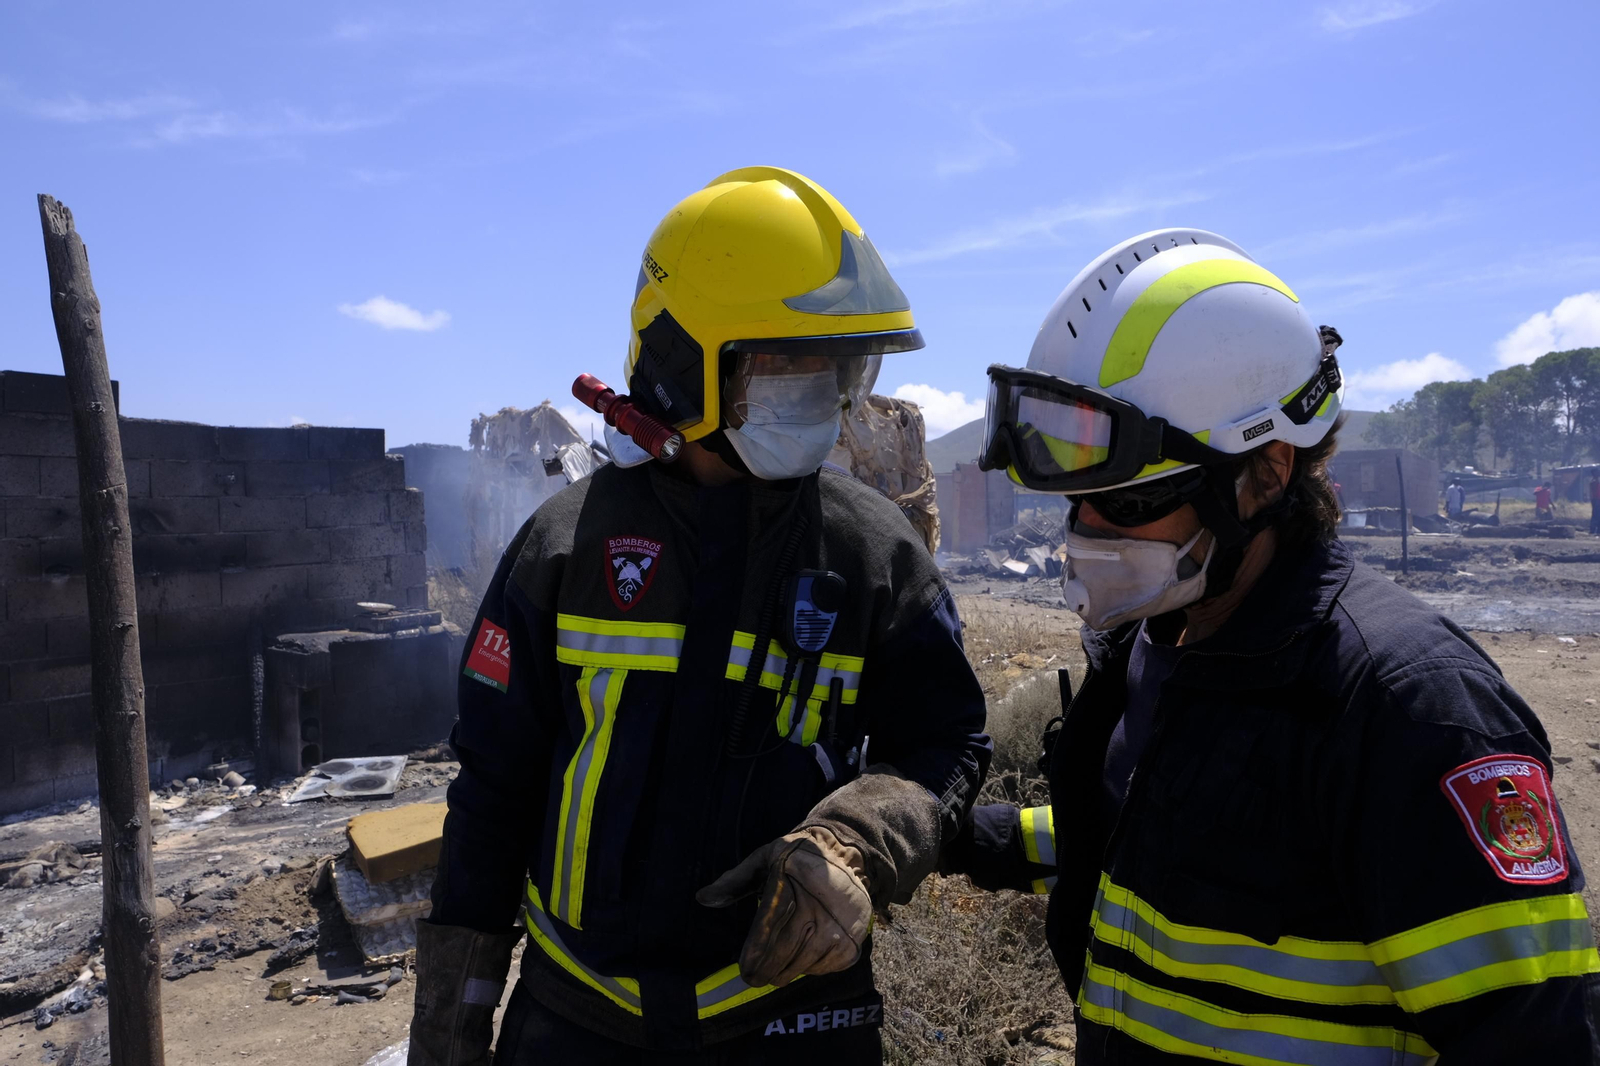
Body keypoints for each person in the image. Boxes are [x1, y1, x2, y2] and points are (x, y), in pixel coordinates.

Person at [941, 228, 1600, 1062]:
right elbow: (1156, 820)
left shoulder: (1412, 710)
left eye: (1132, 503)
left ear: (1267, 473)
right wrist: (964, 833)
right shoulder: (1161, 646)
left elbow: (1536, 1040)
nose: (1088, 531)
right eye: (1078, 502)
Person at [406, 166, 990, 1066]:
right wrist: (451, 1028)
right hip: (577, 1019)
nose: (829, 396)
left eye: (840, 368)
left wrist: (861, 842)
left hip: (795, 1021)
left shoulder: (873, 555)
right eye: (791, 365)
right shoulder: (565, 548)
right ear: (687, 365)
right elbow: (492, 793)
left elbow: (949, 740)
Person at [1588, 470, 1599, 536]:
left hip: (1597, 499)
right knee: (1596, 514)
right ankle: (1593, 529)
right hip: (1596, 499)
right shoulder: (1593, 482)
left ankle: (1597, 530)